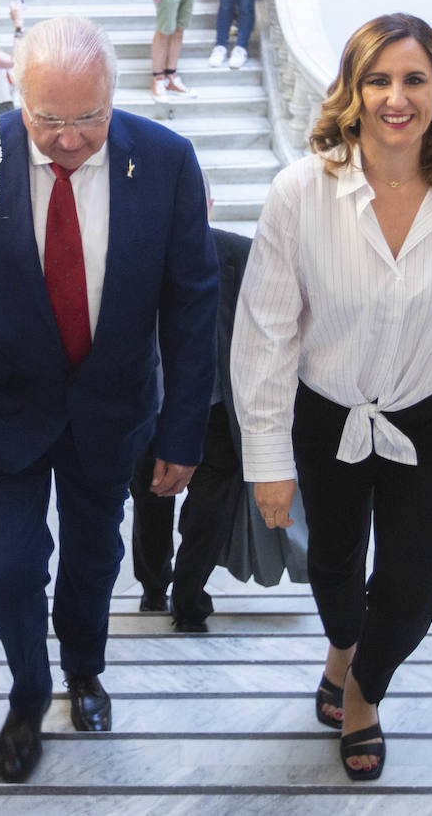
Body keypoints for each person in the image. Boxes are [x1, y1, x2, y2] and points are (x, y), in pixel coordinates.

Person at [231, 13, 432, 781]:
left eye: (415, 79)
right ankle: (340, 645)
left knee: (410, 586)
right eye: (380, 79)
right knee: (332, 562)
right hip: (329, 409)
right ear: (353, 93)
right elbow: (266, 332)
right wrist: (266, 457)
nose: (398, 97)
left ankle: (362, 690)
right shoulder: (300, 192)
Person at [0, 16, 218, 783]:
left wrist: (183, 433)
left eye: (89, 118)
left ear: (115, 93)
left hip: (112, 408)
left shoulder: (167, 162)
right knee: (9, 567)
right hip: (1, 406)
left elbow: (192, 305)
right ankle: (28, 692)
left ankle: (84, 667)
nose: (70, 139)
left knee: (96, 555)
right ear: (15, 93)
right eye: (50, 120)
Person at [131, 174, 299, 632]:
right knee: (150, 505)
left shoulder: (242, 256)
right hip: (153, 411)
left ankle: (189, 597)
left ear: (209, 204)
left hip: (219, 410)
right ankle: (152, 584)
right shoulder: (134, 257)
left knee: (208, 513)